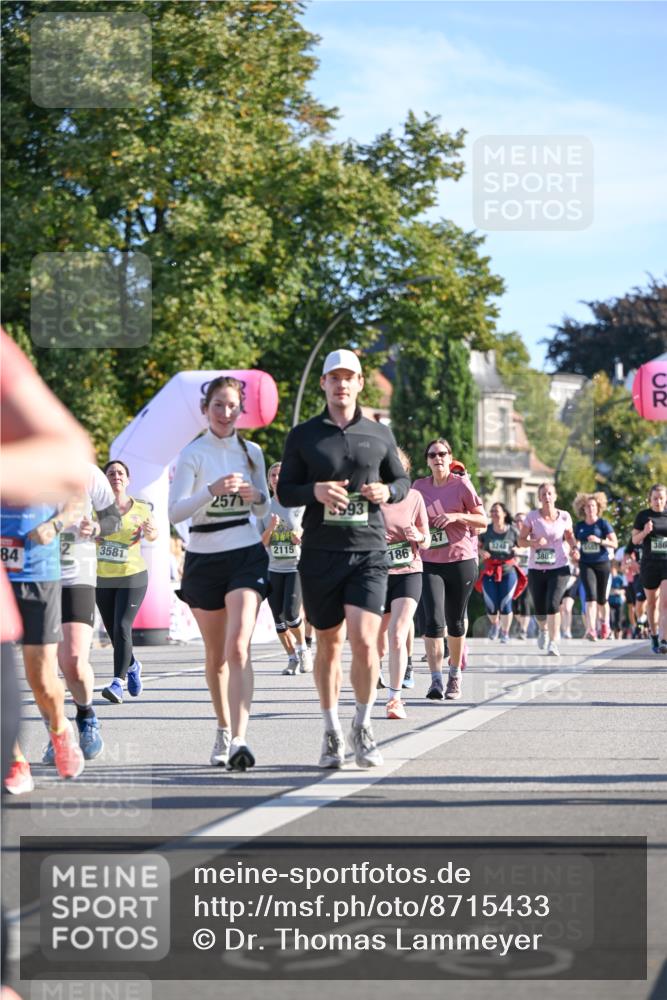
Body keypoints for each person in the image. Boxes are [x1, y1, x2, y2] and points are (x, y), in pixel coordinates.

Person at [278, 348, 410, 768]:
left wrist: (389, 492)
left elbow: (402, 478)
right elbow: (285, 491)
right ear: (323, 384)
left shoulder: (378, 434)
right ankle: (332, 729)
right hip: (320, 552)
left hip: (368, 550)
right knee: (330, 646)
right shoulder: (303, 435)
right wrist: (313, 491)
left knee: (366, 640)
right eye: (333, 377)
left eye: (348, 377)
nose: (341, 384)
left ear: (358, 384)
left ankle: (364, 724)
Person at [168, 375, 270, 769]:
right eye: (218, 406)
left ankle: (241, 739)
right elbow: (175, 512)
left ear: (241, 410)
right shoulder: (193, 454)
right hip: (204, 557)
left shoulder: (253, 452)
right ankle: (224, 728)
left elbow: (263, 510)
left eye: (232, 406)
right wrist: (209, 491)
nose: (226, 413)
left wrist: (255, 496)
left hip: (245, 552)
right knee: (216, 657)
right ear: (205, 410)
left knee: (238, 645)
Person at [39, 466, 121, 765]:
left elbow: (113, 519)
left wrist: (97, 529)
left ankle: (86, 715)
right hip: (36, 576)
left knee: (72, 662)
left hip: (77, 573)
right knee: (44, 669)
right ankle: (57, 733)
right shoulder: (20, 467)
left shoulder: (88, 473)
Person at [412, 439, 486, 700]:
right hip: (429, 560)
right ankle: (435, 681)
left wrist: (457, 517)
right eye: (432, 454)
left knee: (455, 622)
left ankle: (455, 674)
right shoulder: (418, 487)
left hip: (460, 560)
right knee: (432, 621)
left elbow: (483, 520)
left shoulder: (461, 485)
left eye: (442, 454)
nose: (438, 458)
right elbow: (409, 516)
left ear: (450, 457)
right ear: (427, 460)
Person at [96, 460, 157, 703]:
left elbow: (153, 534)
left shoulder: (141, 508)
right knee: (113, 633)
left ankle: (117, 683)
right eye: (110, 473)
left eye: (120, 473)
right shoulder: (96, 509)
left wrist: (152, 532)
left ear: (128, 480)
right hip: (103, 577)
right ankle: (133, 666)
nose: (116, 476)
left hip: (132, 575)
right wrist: (92, 536)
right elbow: (85, 534)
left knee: (122, 627)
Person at [377, 448, 429, 719]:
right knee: (378, 642)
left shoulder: (415, 498)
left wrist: (418, 536)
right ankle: (375, 672)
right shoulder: (372, 498)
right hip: (377, 574)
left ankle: (395, 699)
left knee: (397, 634)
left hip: (409, 572)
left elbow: (428, 539)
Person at [258, 461, 312, 675]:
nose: (277, 478)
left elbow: (313, 531)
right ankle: (291, 658)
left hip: (296, 567)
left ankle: (303, 649)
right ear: (269, 481)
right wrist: (270, 529)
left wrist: (301, 537)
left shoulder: (300, 504)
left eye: (281, 474)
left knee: (290, 612)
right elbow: (261, 542)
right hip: (273, 568)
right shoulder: (264, 507)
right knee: (278, 617)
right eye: (273, 475)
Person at [518, 482, 575, 657]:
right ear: (539, 498)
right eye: (543, 494)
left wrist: (574, 548)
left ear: (555, 496)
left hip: (560, 566)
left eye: (550, 493)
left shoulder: (564, 516)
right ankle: (542, 630)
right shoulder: (532, 517)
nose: (547, 497)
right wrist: (533, 543)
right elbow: (520, 541)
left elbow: (570, 537)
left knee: (553, 603)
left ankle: (553, 641)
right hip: (536, 568)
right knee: (540, 608)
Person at [573, 492, 618, 641]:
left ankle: (605, 625)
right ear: (583, 509)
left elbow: (614, 543)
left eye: (593, 506)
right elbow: (572, 545)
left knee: (601, 599)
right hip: (586, 564)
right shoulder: (579, 526)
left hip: (602, 563)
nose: (590, 509)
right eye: (588, 506)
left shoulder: (603, 524)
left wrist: (599, 541)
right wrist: (574, 552)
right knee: (590, 597)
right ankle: (591, 629)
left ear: (598, 508)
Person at [631, 483, 667, 654]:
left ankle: (664, 640)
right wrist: (645, 532)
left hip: (666, 563)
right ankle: (654, 636)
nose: (658, 501)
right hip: (649, 564)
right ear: (650, 499)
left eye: (661, 498)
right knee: (651, 604)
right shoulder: (643, 516)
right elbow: (634, 541)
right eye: (655, 498)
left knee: (665, 604)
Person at [478, 502, 521, 643]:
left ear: (505, 514)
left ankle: (505, 632)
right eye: (492, 511)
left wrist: (518, 551)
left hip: (508, 570)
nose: (494, 514)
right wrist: (481, 551)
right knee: (491, 604)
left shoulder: (513, 531)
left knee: (505, 604)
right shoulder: (486, 530)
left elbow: (524, 546)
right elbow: (474, 546)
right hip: (490, 570)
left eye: (497, 511)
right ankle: (495, 625)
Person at [512, 511, 532, 639]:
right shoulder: (511, 537)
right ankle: (521, 624)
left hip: (529, 574)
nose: (520, 523)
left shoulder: (532, 536)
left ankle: (524, 630)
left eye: (522, 521)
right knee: (514, 604)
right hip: (513, 575)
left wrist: (520, 550)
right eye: (517, 521)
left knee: (525, 601)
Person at [608, 560, 626, 639]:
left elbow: (624, 590)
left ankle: (619, 636)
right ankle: (611, 634)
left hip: (619, 602)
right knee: (611, 619)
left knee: (619, 619)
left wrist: (617, 591)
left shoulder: (620, 578)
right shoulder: (608, 579)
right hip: (610, 601)